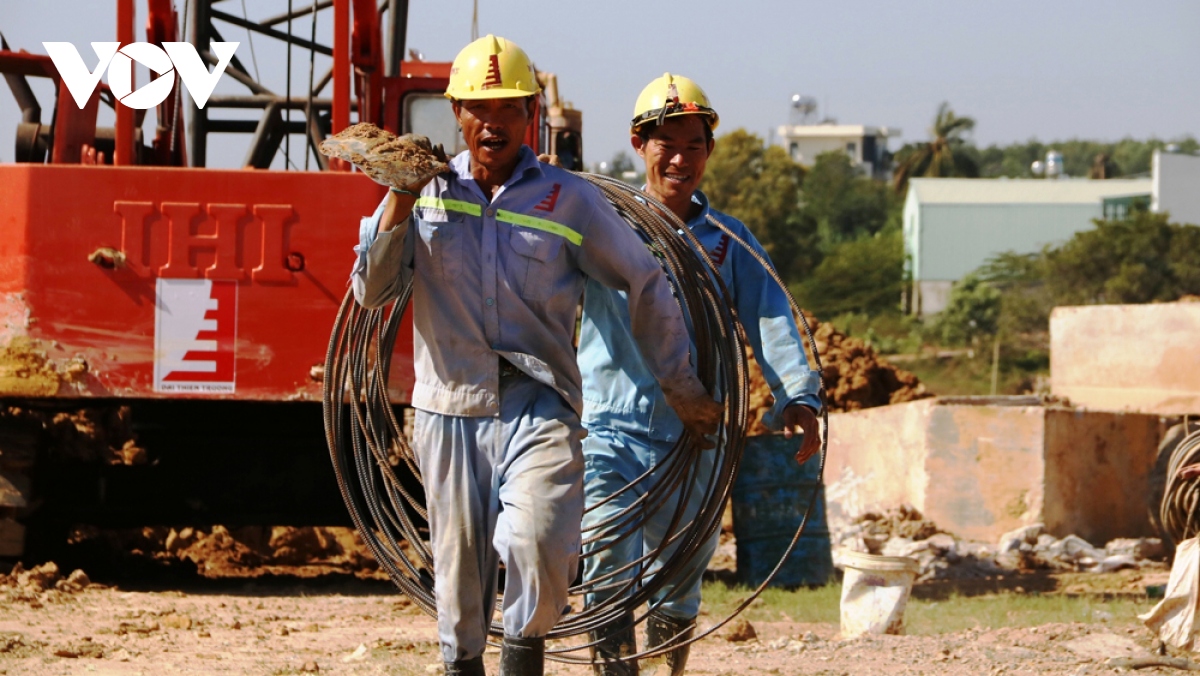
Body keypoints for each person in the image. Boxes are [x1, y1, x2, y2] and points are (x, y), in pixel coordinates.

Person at [349, 40, 722, 676]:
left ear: (531, 111)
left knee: (541, 539)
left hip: (539, 403)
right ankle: (464, 662)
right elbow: (371, 292)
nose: (492, 122)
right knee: (460, 584)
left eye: (509, 108)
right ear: (457, 113)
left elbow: (644, 280)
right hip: (448, 404)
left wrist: (680, 385)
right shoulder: (426, 193)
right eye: (477, 108)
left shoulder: (569, 200)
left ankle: (524, 655)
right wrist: (398, 199)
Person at [578, 73, 823, 676]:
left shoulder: (728, 241)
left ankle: (668, 667)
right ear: (639, 145)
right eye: (666, 144)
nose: (680, 158)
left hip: (700, 434)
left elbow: (770, 319)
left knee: (682, 569)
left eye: (694, 144)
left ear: (710, 151)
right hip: (610, 425)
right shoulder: (603, 226)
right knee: (605, 551)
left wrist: (799, 396)